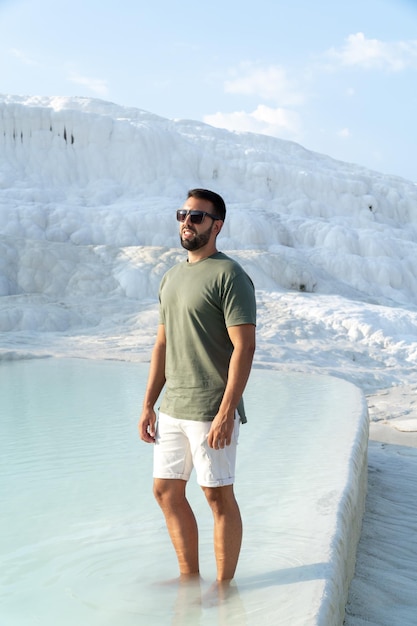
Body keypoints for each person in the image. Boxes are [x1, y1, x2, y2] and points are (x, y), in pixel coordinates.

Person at [138, 188, 256, 583]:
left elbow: (244, 346)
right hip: (173, 407)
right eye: (182, 214)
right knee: (165, 492)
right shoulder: (171, 277)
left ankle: (224, 588)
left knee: (217, 496)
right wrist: (148, 404)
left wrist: (226, 412)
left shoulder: (230, 275)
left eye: (197, 217)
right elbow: (162, 344)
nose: (187, 222)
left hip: (210, 409)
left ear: (216, 225)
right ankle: (189, 578)